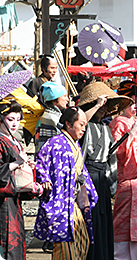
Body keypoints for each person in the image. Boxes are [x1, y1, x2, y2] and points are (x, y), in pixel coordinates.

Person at [34, 107, 99, 260]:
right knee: (66, 250)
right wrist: (44, 179)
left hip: (74, 202)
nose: (84, 128)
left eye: (85, 125)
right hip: (60, 203)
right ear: (69, 124)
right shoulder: (55, 143)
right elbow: (40, 164)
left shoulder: (75, 145)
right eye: (81, 124)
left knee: (83, 242)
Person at [78, 82, 131, 260]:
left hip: (102, 179)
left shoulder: (104, 128)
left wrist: (112, 185)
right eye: (99, 106)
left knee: (103, 221)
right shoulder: (82, 128)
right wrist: (97, 105)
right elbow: (81, 121)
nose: (103, 109)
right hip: (87, 178)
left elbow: (112, 159)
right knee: (90, 221)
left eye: (104, 106)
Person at [109, 84, 137, 260]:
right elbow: (116, 152)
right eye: (131, 103)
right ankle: (122, 256)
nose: (136, 106)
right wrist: (136, 145)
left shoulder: (135, 123)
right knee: (123, 220)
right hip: (128, 177)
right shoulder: (119, 123)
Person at [0, 100, 43, 259]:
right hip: (2, 202)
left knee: (16, 244)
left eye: (18, 119)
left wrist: (26, 166)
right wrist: (16, 164)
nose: (15, 124)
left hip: (13, 200)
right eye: (10, 119)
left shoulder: (13, 140)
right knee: (6, 245)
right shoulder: (1, 140)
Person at [35, 81, 69, 153]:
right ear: (54, 99)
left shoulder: (46, 115)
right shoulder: (52, 118)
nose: (67, 100)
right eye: (64, 96)